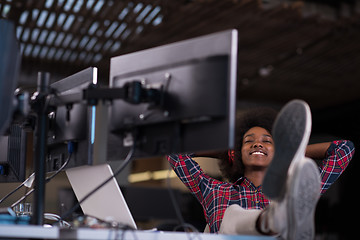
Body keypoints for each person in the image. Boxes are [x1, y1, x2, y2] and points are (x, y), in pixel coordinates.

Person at [167, 100, 355, 239]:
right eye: (249, 141)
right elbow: (174, 150)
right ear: (237, 153)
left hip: (286, 202)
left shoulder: (296, 191)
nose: (257, 144)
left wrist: (290, 154)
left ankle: (274, 219)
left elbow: (344, 149)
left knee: (288, 200)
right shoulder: (214, 191)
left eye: (267, 142)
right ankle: (273, 220)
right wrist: (228, 151)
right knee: (231, 216)